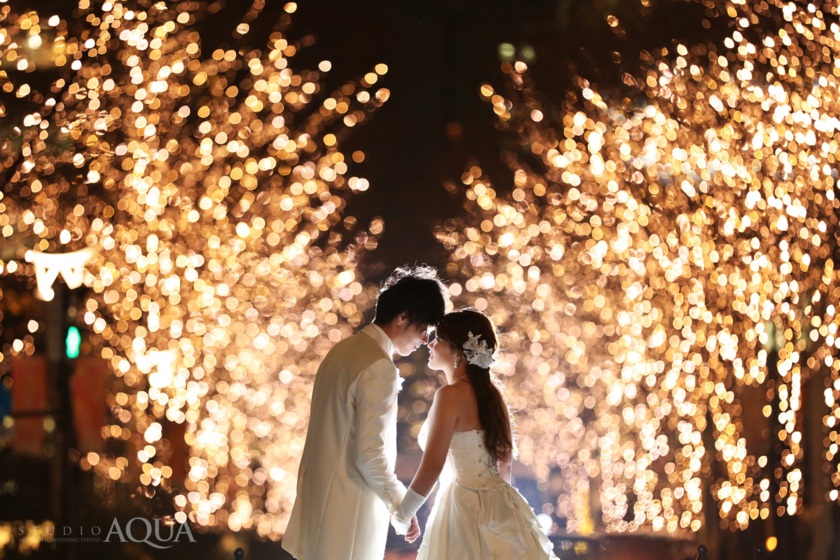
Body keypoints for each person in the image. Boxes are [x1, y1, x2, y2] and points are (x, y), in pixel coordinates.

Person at [282, 266, 448, 560]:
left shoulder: (341, 351)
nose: (424, 340)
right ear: (402, 317)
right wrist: (401, 507)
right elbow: (370, 455)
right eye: (424, 329)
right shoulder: (379, 367)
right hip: (348, 512)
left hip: (315, 504)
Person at [391, 308, 558, 559]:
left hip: (462, 507)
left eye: (438, 339)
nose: (430, 344)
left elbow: (433, 464)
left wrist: (403, 515)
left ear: (458, 352)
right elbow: (504, 462)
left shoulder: (449, 395)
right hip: (502, 502)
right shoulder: (493, 396)